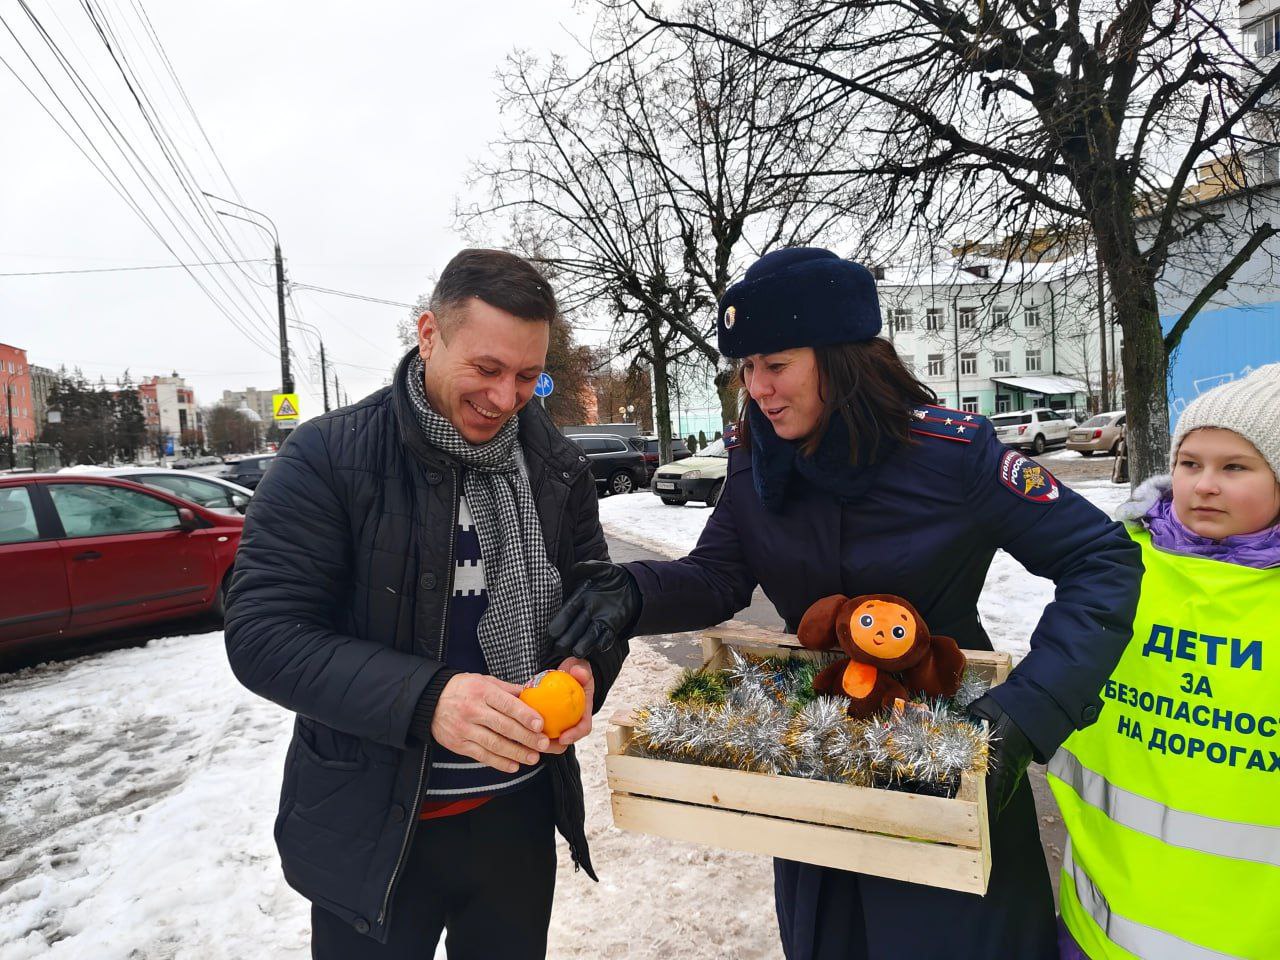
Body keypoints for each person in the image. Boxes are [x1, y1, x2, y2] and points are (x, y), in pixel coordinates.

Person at [546, 247, 1143, 960]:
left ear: (841, 356)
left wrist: (1026, 715)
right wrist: (633, 589)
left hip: (949, 758)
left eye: (776, 364)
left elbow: (1102, 560)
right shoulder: (756, 456)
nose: (758, 388)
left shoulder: (954, 456)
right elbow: (718, 575)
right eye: (746, 369)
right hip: (817, 759)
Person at [225, 248, 626, 959]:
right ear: (429, 335)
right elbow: (263, 635)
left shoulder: (555, 465)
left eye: (528, 376)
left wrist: (587, 662)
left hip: (516, 820)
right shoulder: (329, 456)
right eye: (487, 369)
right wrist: (427, 699)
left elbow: (596, 599)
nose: (505, 399)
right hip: (372, 830)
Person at [1049, 365, 1280, 960]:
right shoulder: (1118, 561)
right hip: (1096, 916)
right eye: (1190, 463)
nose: (1204, 485)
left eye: (1235, 467)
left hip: (1245, 931)